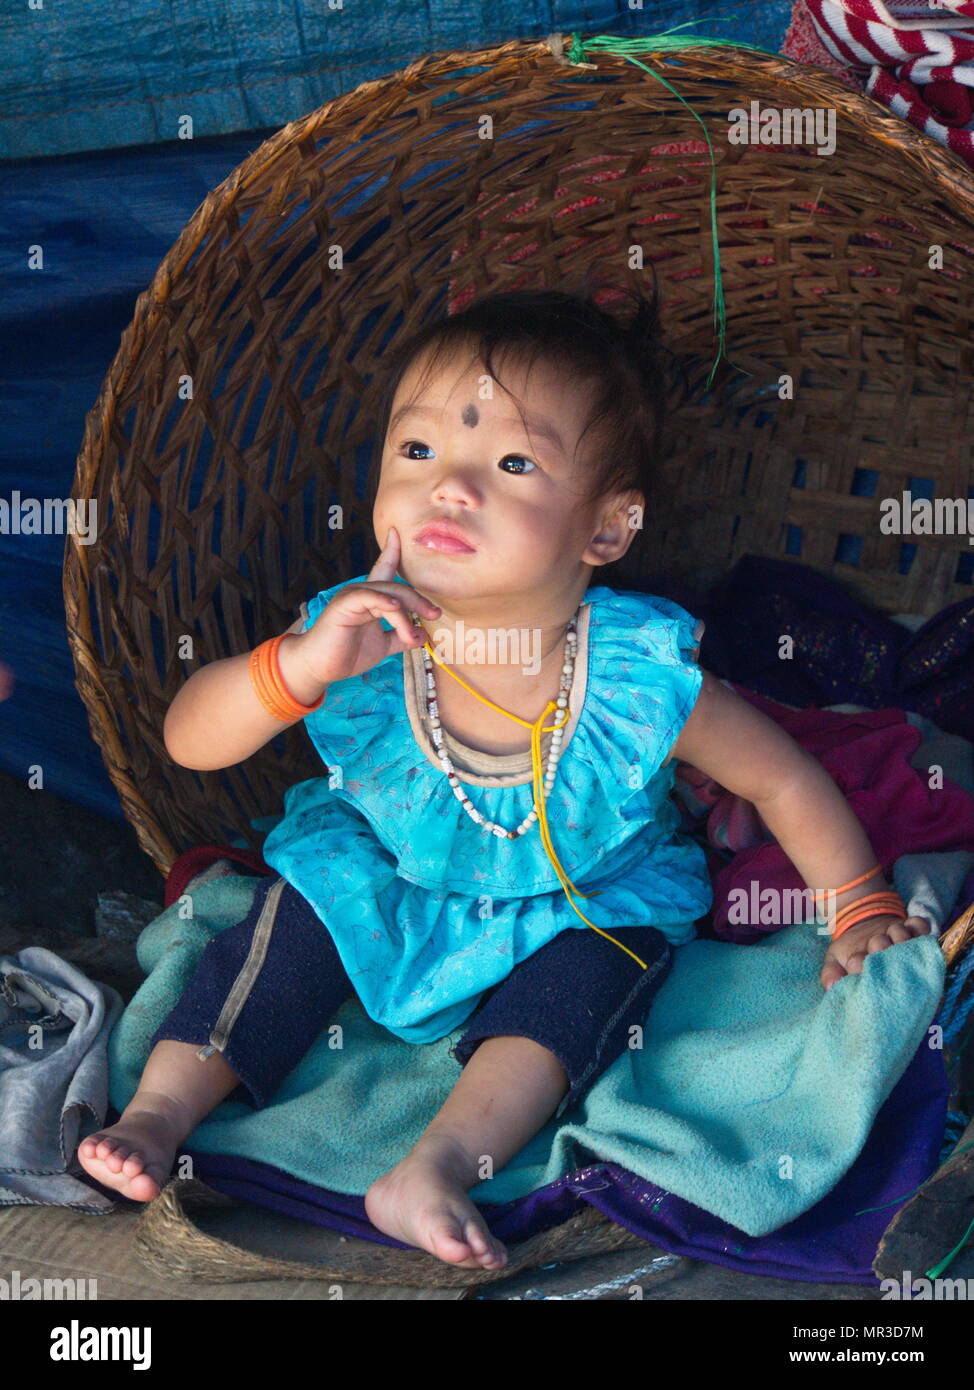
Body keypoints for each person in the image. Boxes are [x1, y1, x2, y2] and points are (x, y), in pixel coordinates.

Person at [77, 281, 931, 1270]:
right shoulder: (355, 633)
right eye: (418, 450)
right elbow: (190, 738)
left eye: (512, 461)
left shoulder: (629, 675)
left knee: (585, 984)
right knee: (288, 926)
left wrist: (857, 901)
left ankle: (437, 1163)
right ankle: (159, 1115)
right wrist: (296, 671)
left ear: (604, 531)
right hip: (385, 870)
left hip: (576, 894)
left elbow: (781, 779)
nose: (450, 485)